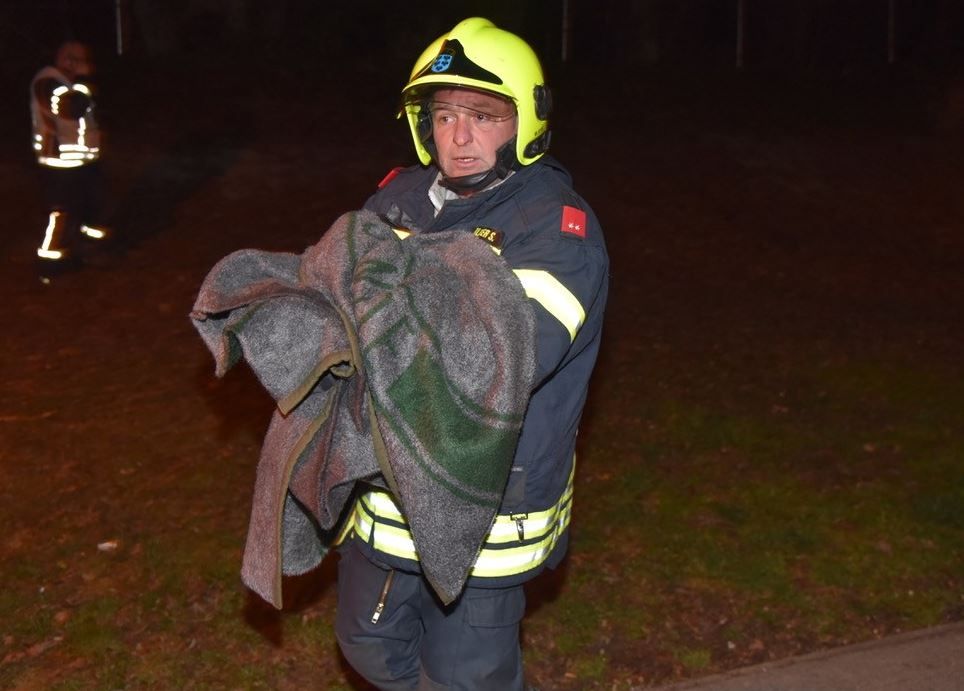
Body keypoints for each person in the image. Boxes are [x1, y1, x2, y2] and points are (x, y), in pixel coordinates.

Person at [333, 17, 609, 690]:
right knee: (366, 642)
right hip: (389, 495)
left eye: (482, 117)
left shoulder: (554, 228)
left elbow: (500, 358)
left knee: (464, 677)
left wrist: (372, 325)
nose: (457, 137)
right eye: (444, 115)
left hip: (488, 504)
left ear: (525, 121)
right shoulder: (398, 197)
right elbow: (337, 296)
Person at [30, 40, 110, 269]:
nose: (87, 65)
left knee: (90, 204)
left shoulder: (71, 83)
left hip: (84, 159)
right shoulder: (47, 81)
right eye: (81, 60)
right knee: (61, 212)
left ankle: (88, 249)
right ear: (67, 60)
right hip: (59, 161)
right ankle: (51, 261)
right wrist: (84, 80)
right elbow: (71, 108)